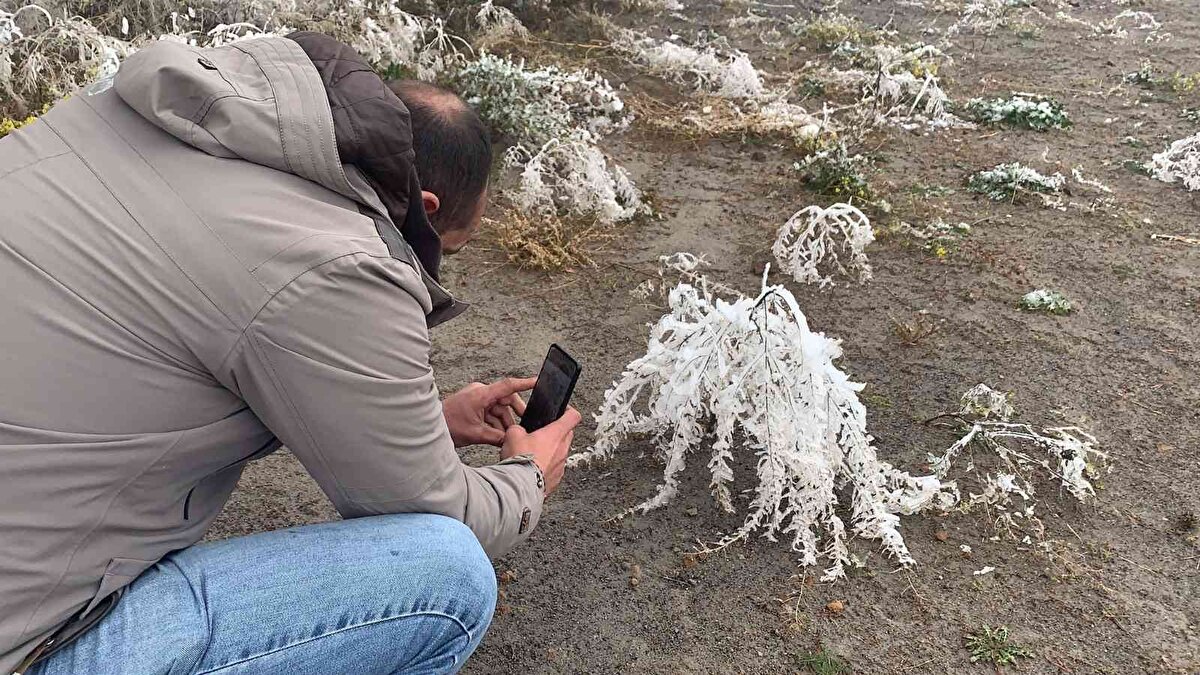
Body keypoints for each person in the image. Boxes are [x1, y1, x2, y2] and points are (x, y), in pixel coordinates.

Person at [0, 31, 580, 675]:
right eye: (448, 249)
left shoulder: (131, 115)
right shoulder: (333, 259)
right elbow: (436, 511)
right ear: (424, 207)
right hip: (24, 641)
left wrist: (426, 425)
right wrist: (526, 476)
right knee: (448, 575)